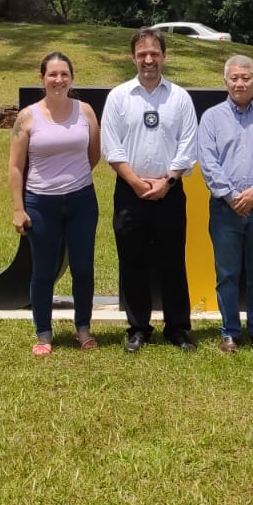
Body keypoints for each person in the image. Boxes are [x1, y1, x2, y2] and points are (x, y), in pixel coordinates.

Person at [100, 27, 199, 353]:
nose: (148, 59)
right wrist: (135, 181)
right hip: (130, 192)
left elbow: (188, 147)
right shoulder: (118, 97)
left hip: (170, 191)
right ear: (133, 57)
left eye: (154, 53)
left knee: (173, 260)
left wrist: (167, 181)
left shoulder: (180, 98)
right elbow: (111, 148)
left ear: (164, 56)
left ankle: (178, 328)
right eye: (142, 54)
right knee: (133, 260)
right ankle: (138, 328)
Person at [8, 52, 101, 355]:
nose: (58, 80)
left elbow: (94, 154)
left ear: (72, 78)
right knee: (44, 270)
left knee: (83, 268)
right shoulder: (27, 117)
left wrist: (71, 179)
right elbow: (15, 167)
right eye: (52, 74)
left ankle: (83, 328)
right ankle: (44, 333)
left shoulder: (85, 111)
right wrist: (18, 208)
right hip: (40, 203)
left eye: (64, 74)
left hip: (81, 201)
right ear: (42, 78)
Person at [198, 56, 253, 353]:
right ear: (225, 82)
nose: (240, 83)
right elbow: (208, 163)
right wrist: (232, 196)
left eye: (246, 78)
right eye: (234, 77)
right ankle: (230, 333)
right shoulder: (211, 117)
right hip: (225, 209)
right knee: (227, 274)